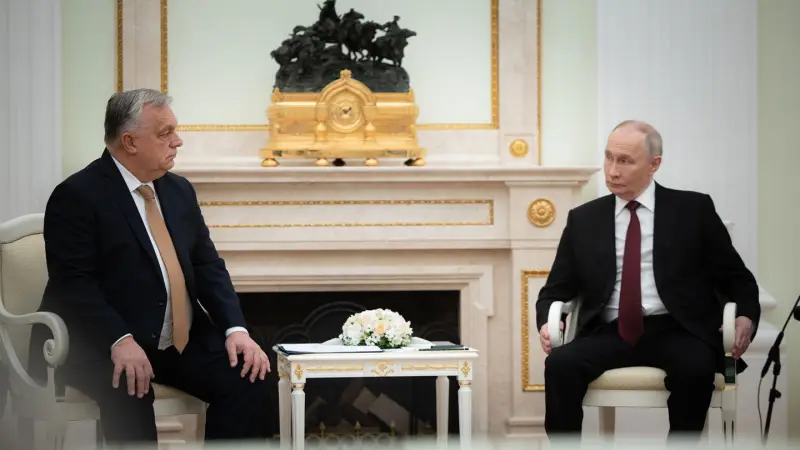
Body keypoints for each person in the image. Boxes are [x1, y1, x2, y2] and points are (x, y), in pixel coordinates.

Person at [29, 88, 272, 446]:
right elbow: (74, 284)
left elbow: (208, 265)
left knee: (250, 376)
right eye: (165, 133)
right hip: (97, 341)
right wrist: (119, 339)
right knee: (130, 385)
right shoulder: (77, 195)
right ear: (129, 141)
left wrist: (235, 329)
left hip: (173, 341)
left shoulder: (179, 191)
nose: (178, 141)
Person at [535, 120, 760, 440]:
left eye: (625, 161)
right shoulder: (584, 219)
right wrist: (547, 323)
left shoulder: (693, 210)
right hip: (609, 331)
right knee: (560, 366)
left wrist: (746, 316)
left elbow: (737, 278)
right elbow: (554, 290)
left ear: (655, 164)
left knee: (695, 369)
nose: (612, 170)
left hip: (677, 329)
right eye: (609, 157)